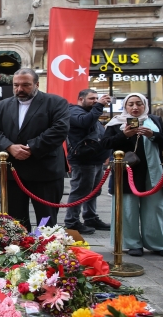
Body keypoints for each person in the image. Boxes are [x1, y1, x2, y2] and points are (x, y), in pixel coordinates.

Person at [0, 68, 69, 231]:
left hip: (45, 170)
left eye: (25, 85)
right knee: (15, 221)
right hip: (13, 172)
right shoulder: (3, 105)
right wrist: (10, 147)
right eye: (16, 85)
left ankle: (46, 253)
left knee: (46, 220)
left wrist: (31, 147)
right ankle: (18, 252)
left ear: (37, 84)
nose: (20, 89)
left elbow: (59, 129)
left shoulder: (56, 102)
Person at [102, 93, 163, 257]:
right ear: (125, 106)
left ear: (145, 105)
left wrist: (152, 135)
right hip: (127, 172)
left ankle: (157, 243)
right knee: (128, 208)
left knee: (156, 207)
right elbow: (105, 144)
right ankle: (132, 243)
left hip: (153, 171)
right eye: (131, 104)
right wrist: (124, 135)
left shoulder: (155, 121)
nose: (135, 107)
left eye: (139, 104)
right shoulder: (116, 123)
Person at [64, 89, 112, 235]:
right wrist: (99, 106)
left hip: (95, 160)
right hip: (83, 161)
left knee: (94, 191)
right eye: (92, 98)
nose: (95, 101)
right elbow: (84, 123)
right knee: (80, 191)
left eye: (97, 98)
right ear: (80, 99)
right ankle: (72, 222)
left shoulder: (90, 113)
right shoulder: (74, 111)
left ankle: (90, 217)